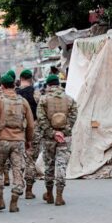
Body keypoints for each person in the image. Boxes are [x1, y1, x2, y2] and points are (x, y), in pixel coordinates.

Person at [0, 74, 34, 212]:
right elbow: (30, 125)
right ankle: (14, 202)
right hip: (19, 141)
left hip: (2, 141)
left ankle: (0, 200)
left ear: (2, 86)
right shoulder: (23, 101)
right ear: (14, 85)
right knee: (18, 170)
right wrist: (29, 140)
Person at [37, 74, 77, 206]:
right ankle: (59, 196)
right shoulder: (69, 99)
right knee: (61, 165)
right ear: (58, 84)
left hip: (49, 138)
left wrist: (52, 133)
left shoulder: (43, 100)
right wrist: (63, 132)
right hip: (64, 138)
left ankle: (49, 194)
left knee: (49, 166)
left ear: (48, 85)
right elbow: (73, 117)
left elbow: (41, 119)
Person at [16, 69, 41, 199]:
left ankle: (18, 186)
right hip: (34, 129)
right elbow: (42, 111)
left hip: (17, 131)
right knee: (31, 160)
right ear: (31, 79)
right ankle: (29, 190)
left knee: (18, 160)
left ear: (20, 78)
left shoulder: (15, 94)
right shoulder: (36, 93)